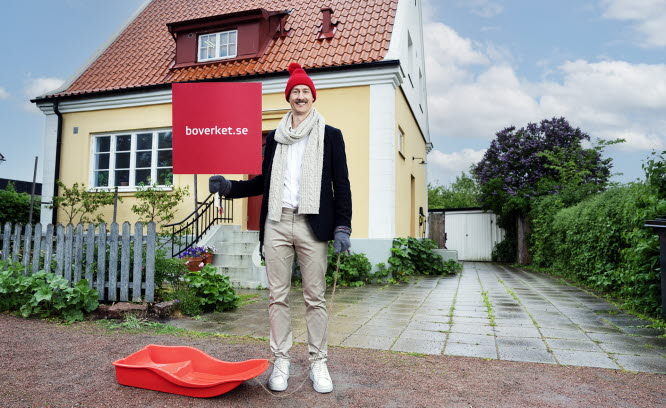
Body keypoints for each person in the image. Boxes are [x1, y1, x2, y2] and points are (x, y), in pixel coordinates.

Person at [209, 62, 352, 394]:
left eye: (305, 91)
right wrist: (230, 187)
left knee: (314, 298)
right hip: (276, 222)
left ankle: (319, 363)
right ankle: (281, 360)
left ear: (312, 98)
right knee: (277, 297)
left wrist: (342, 226)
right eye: (295, 92)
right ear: (288, 98)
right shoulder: (275, 138)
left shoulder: (330, 136)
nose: (300, 96)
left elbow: (341, 185)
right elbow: (265, 181)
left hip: (312, 223)